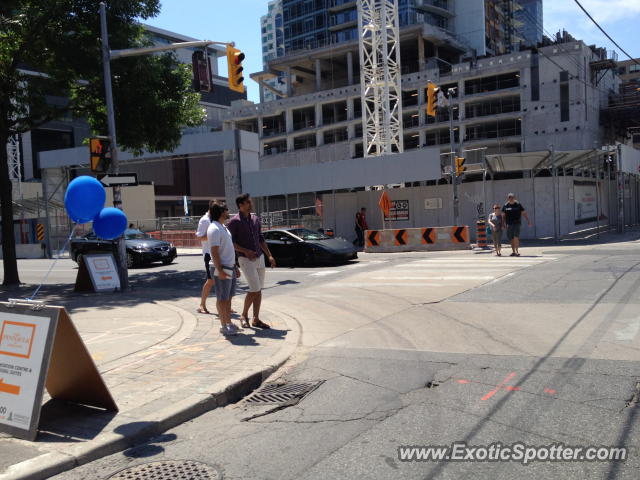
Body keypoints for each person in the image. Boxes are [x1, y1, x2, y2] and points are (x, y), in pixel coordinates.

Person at [227, 193, 276, 329]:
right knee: (254, 288)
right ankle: (243, 315)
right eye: (248, 202)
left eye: (250, 202)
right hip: (245, 259)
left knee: (259, 289)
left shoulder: (255, 219)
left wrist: (269, 255)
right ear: (240, 205)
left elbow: (261, 239)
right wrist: (245, 251)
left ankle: (256, 319)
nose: (251, 204)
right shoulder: (234, 222)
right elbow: (231, 243)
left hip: (260, 258)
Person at [207, 202, 241, 337]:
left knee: (228, 298)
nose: (228, 212)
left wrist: (235, 267)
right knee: (222, 298)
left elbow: (228, 249)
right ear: (221, 212)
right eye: (226, 210)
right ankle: (223, 326)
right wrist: (220, 270)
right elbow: (214, 252)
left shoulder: (223, 228)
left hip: (229, 267)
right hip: (221, 268)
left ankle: (229, 323)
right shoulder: (214, 229)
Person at [195, 201, 215, 314]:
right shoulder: (204, 220)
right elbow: (200, 237)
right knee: (211, 280)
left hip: (218, 253)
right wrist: (213, 234)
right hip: (209, 254)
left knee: (223, 279)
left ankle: (227, 305)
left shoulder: (215, 219)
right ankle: (202, 305)